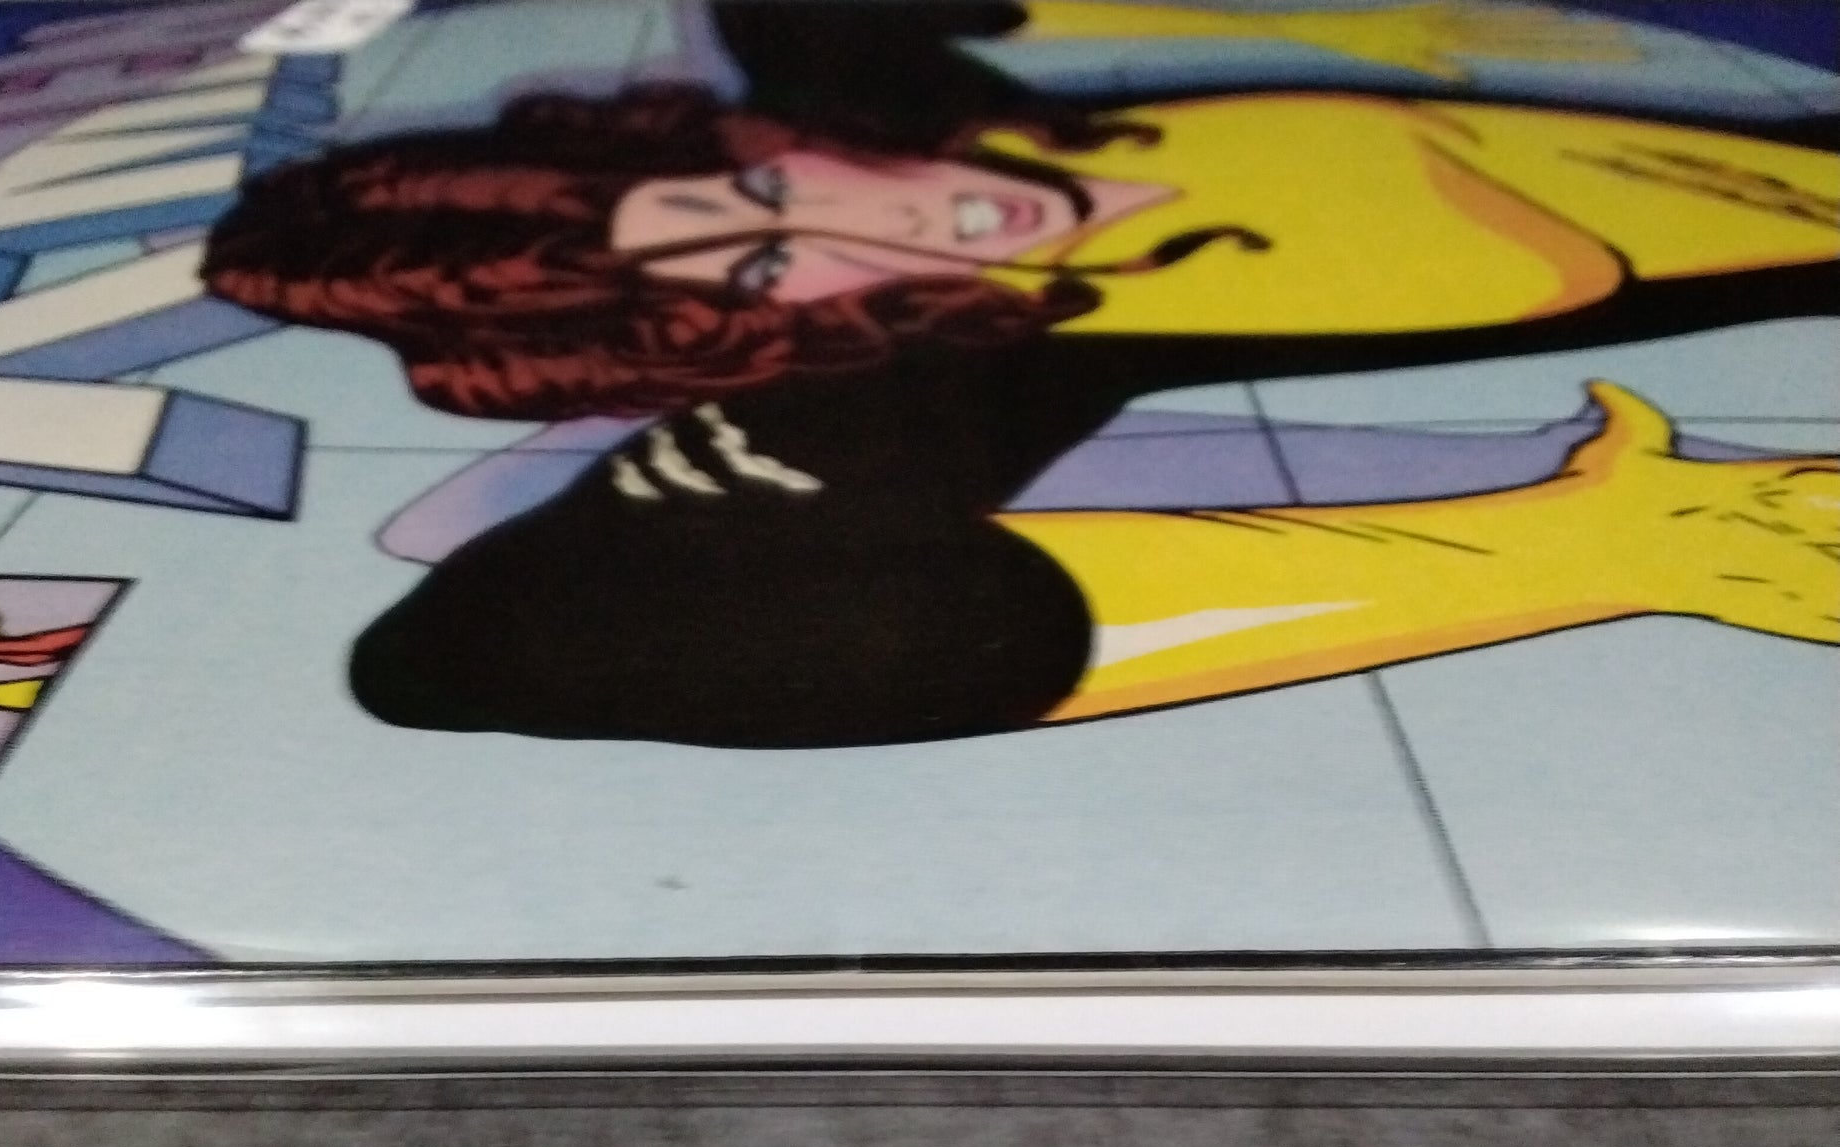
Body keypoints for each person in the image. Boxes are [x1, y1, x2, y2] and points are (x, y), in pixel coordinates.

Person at [200, 2, 1840, 748]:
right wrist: (1583, 547)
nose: (876, 228)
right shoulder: (935, 362)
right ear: (740, 339)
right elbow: (441, 662)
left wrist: (1383, 29)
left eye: (758, 191)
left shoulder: (872, 78)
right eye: (763, 272)